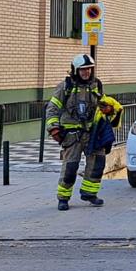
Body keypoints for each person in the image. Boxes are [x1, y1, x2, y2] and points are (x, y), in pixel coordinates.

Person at [46, 54, 111, 211]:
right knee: (70, 167)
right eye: (83, 70)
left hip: (93, 133)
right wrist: (54, 128)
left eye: (89, 69)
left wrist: (109, 109)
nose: (86, 72)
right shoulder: (65, 87)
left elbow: (104, 104)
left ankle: (89, 193)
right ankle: (63, 198)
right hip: (72, 135)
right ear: (75, 70)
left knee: (97, 164)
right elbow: (52, 109)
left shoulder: (96, 85)